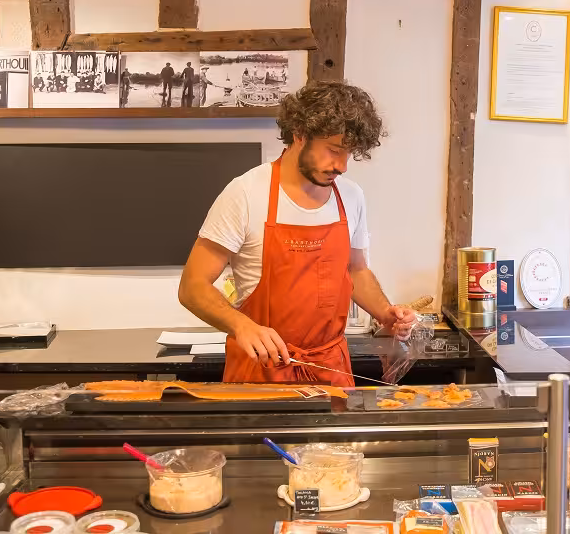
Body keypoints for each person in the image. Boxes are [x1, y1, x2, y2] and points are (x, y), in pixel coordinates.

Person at [178, 81, 415, 386]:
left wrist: (387, 314)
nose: (341, 166)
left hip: (331, 371)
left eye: (349, 154)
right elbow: (192, 286)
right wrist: (241, 325)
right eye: (334, 150)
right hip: (260, 371)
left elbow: (355, 270)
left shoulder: (351, 197)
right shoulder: (246, 193)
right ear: (300, 134)